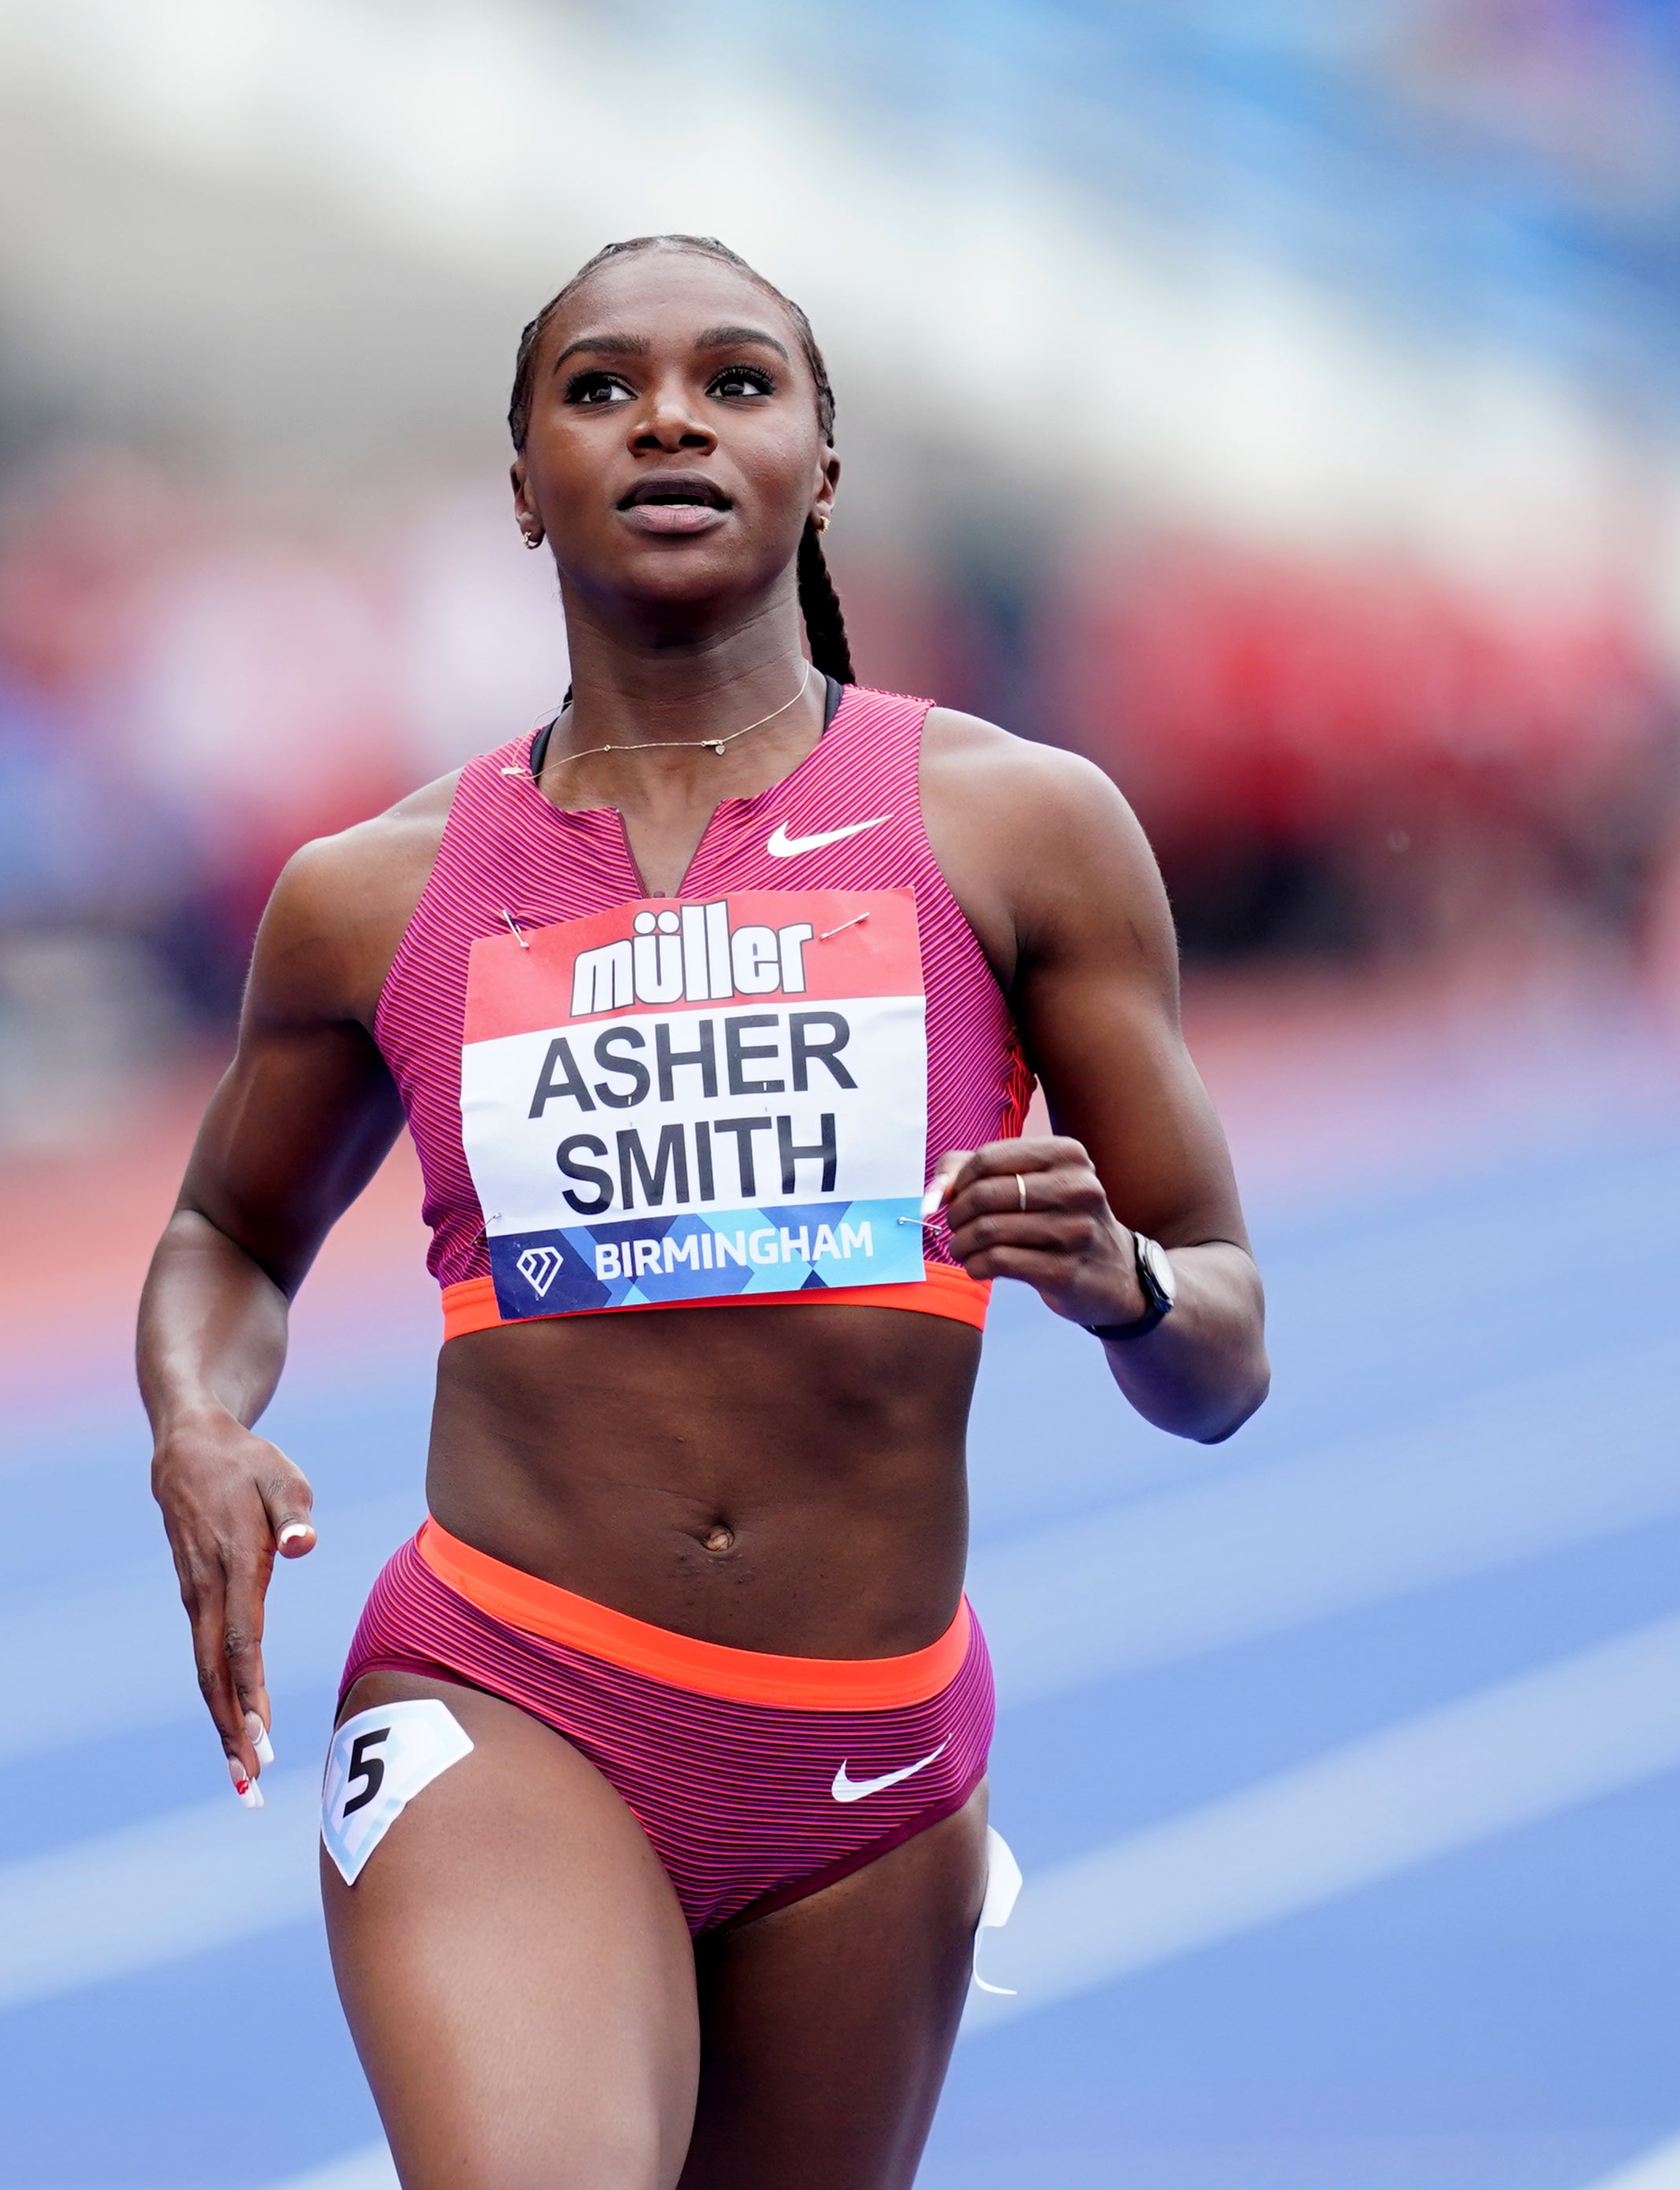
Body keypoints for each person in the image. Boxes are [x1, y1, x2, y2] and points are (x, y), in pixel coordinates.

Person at [134, 234, 1269, 2190]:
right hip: (508, 1680)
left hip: (872, 1743)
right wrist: (200, 1420)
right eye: (598, 388)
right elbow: (228, 1238)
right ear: (519, 485)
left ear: (823, 464)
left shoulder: (1016, 828)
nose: (666, 416)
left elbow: (1223, 1359)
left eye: (738, 382)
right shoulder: (371, 889)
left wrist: (1122, 1278)